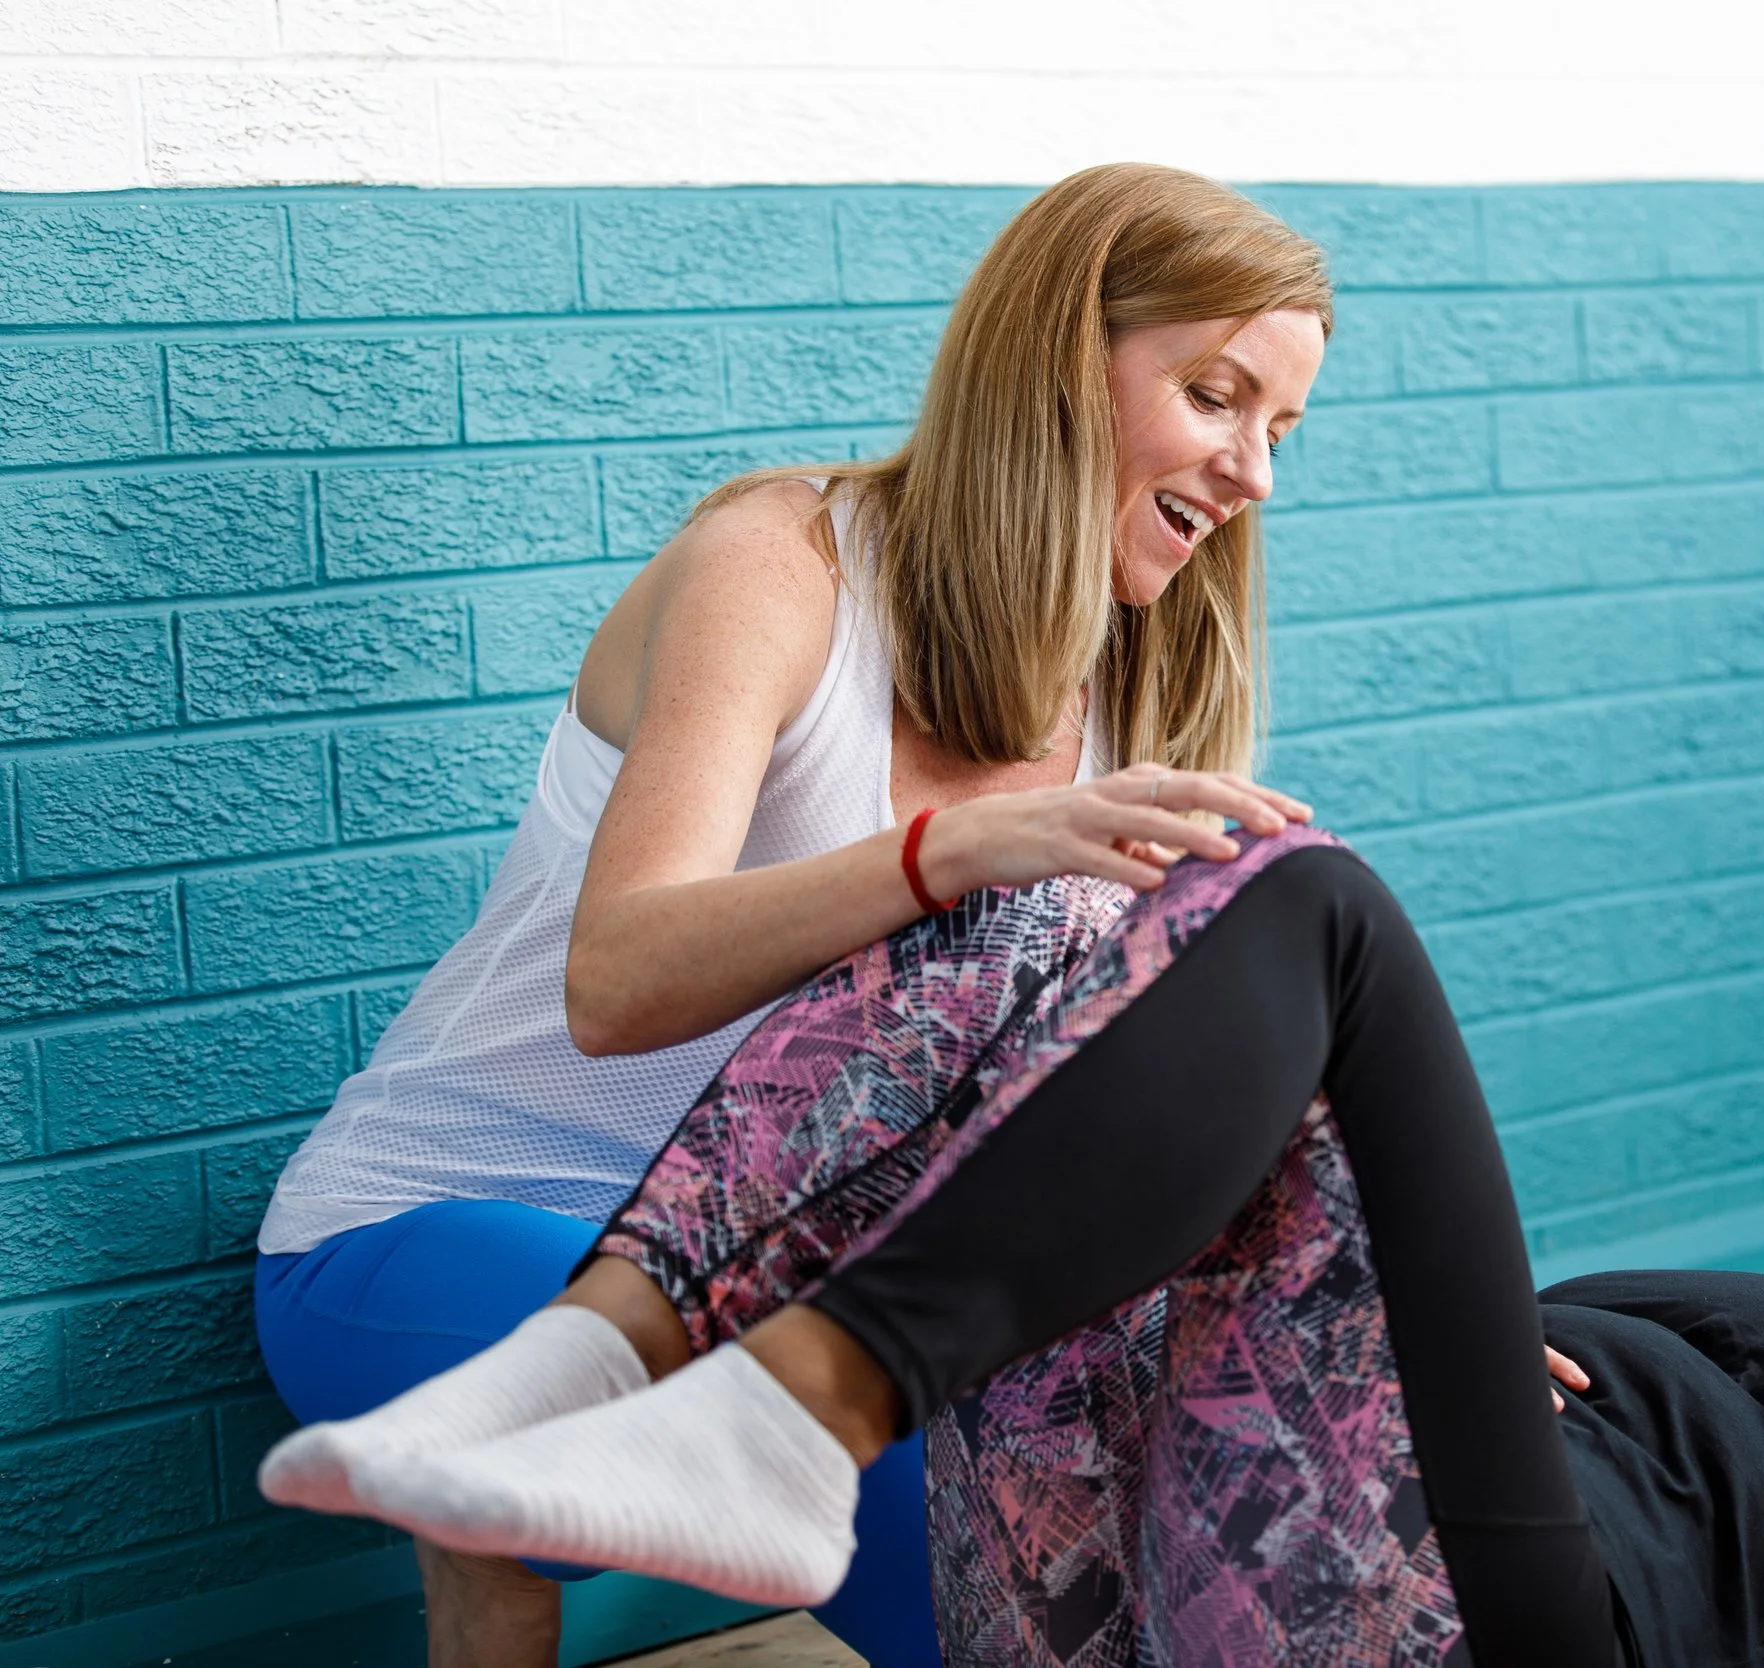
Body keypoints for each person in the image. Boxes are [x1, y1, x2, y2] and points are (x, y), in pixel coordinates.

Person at [260, 829, 1764, 1668]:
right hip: (1161, 1591)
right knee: (1033, 907)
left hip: (1486, 1630)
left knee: (1303, 893)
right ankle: (599, 1364)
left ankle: (792, 1407)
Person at [250, 161, 1330, 1668]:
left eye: (1281, 429)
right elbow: (615, 982)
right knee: (911, 1468)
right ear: (1060, 368)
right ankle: (493, 1533)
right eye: (1216, 398)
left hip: (784, 1291)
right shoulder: (786, 564)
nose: (1254, 473)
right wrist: (951, 848)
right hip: (437, 1226)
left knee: (1116, 1532)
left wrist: (1383, 1310)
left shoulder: (1140, 680)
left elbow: (1156, 1093)